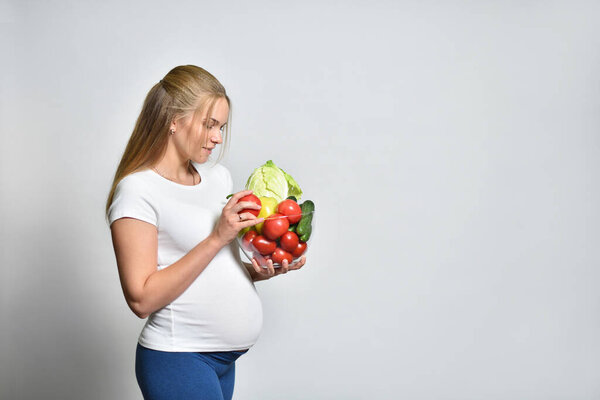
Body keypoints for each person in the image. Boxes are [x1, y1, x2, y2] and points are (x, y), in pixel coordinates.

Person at [104, 65, 306, 400]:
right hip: (178, 357)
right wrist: (216, 237)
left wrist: (259, 270)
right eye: (209, 124)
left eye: (221, 127)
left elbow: (213, 267)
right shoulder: (137, 191)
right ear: (173, 119)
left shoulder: (218, 179)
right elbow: (141, 298)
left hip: (223, 361)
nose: (217, 137)